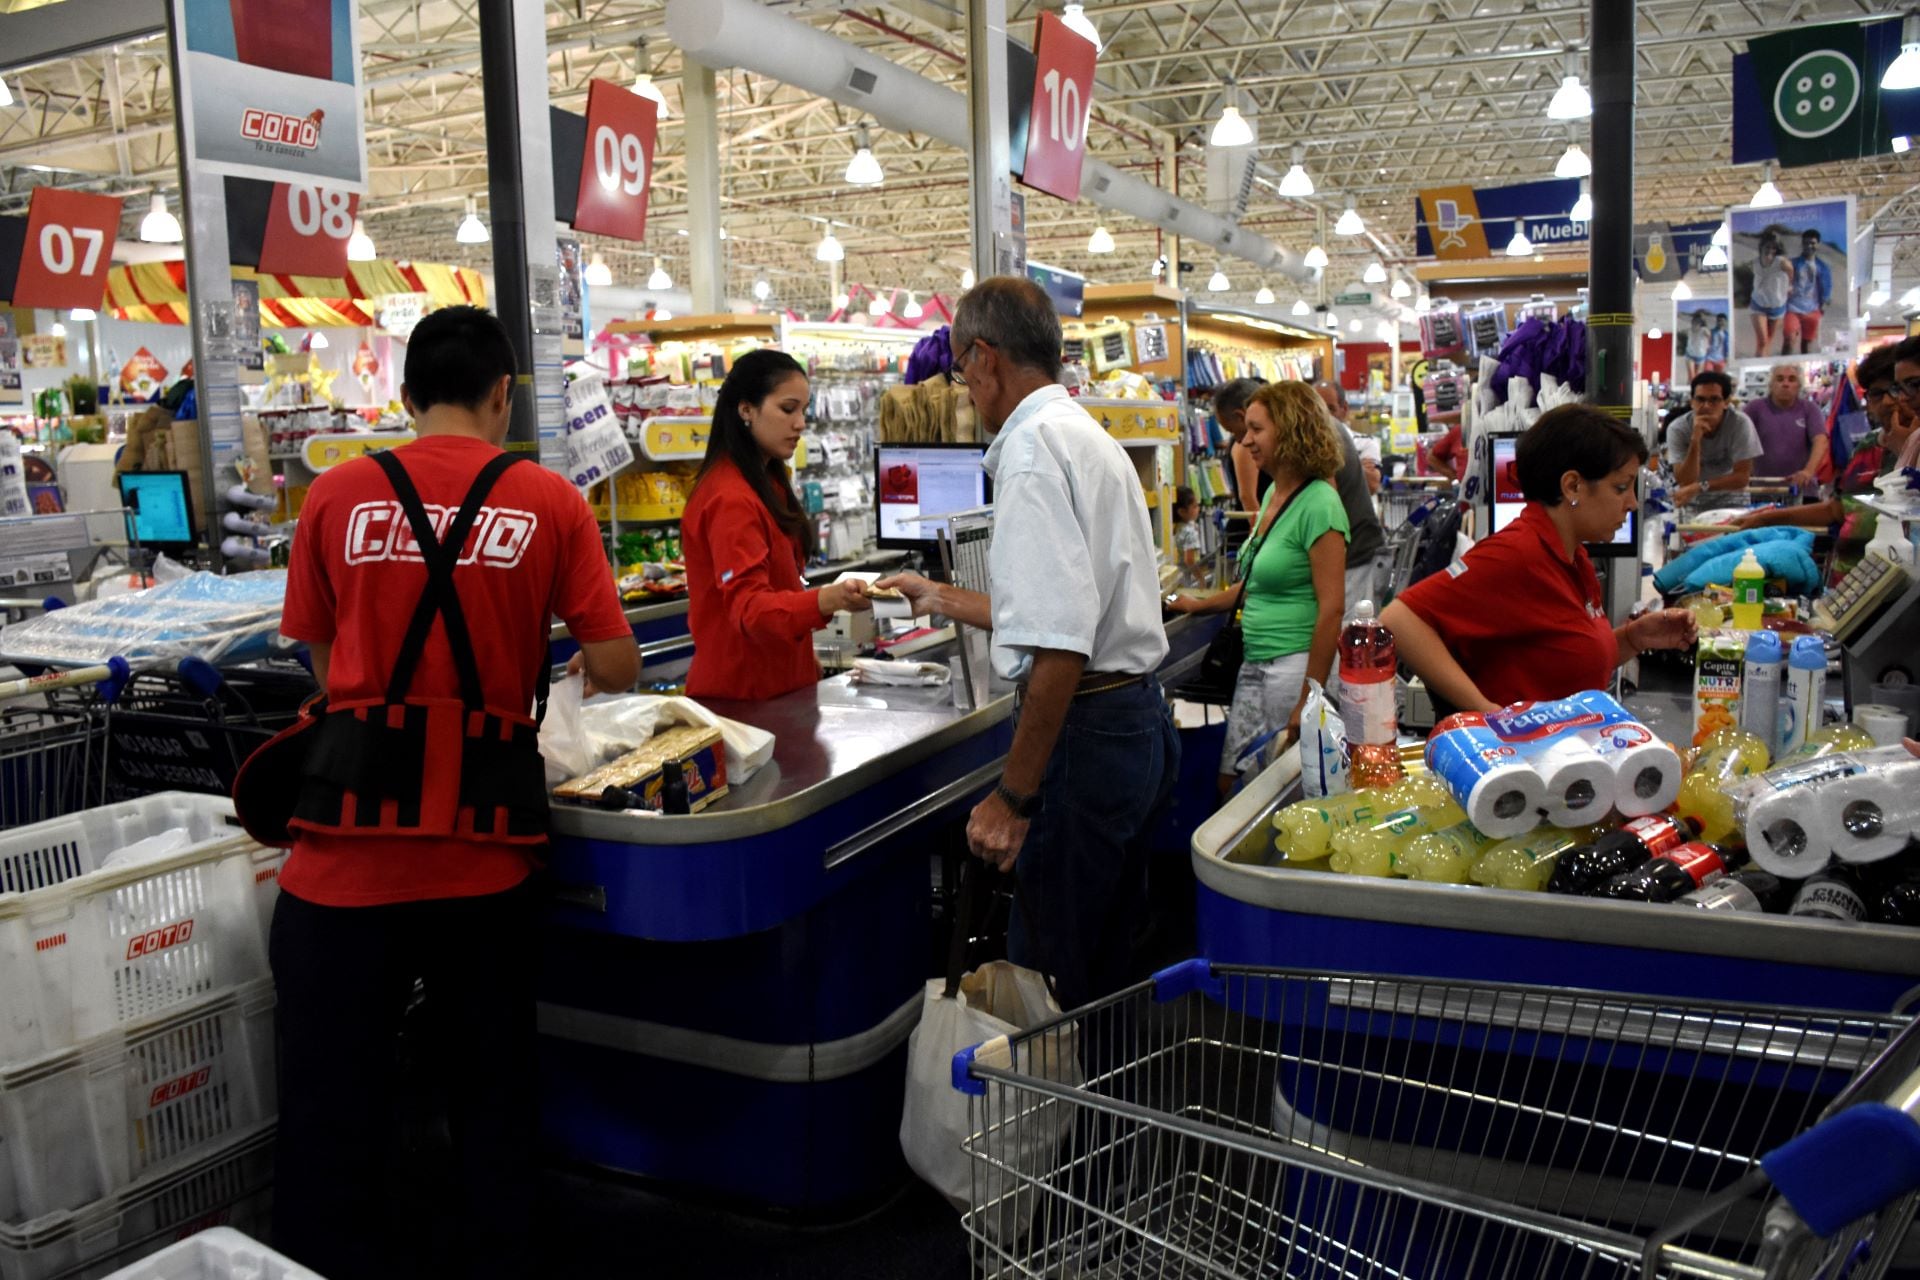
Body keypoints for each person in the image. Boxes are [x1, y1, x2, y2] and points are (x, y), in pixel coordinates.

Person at [272, 306, 640, 1280]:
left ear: (404, 394)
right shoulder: (550, 501)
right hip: (485, 851)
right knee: (493, 1093)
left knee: (330, 1103)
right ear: (502, 394)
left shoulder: (337, 493)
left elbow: (321, 659)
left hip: (341, 852)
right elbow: (615, 659)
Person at [876, 276, 1175, 1011]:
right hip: (1135, 722)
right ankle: (1105, 1117)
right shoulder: (1082, 435)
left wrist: (1012, 795)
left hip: (1087, 737)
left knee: (1048, 980)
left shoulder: (1033, 453)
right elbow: (1062, 609)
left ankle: (1051, 1125)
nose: (963, 388)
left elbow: (1062, 648)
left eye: (959, 370)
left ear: (985, 357)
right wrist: (940, 597)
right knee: (1106, 962)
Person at [1381, 404, 1696, 714]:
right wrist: (1487, 713)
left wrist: (1633, 638)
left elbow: (1566, 661)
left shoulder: (1574, 558)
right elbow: (1398, 619)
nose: (1632, 504)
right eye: (1621, 487)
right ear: (1572, 485)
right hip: (1522, 757)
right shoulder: (1516, 555)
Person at [1169, 382, 1349, 794]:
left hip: (1292, 666)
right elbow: (1255, 584)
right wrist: (1201, 605)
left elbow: (1331, 610)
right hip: (1255, 661)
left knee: (1278, 791)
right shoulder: (1274, 494)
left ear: (1290, 430)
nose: (1245, 440)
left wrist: (1309, 696)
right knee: (1234, 780)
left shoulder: (1319, 503)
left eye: (1256, 429)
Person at [681, 350, 870, 701]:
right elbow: (750, 610)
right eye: (787, 409)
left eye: (804, 411)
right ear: (746, 410)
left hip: (778, 691)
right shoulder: (730, 498)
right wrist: (829, 599)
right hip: (742, 701)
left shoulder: (768, 483)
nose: (800, 423)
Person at [1733, 339, 1920, 581]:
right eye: (1876, 394)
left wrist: (1908, 450)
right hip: (1849, 586)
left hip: (1900, 596)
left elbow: (1820, 440)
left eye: (1902, 388)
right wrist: (1765, 518)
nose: (1888, 402)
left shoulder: (1808, 409)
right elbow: (1838, 509)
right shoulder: (1867, 446)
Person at [1312, 381, 1387, 614]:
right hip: (1352, 556)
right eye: (1317, 406)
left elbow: (1373, 482)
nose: (1323, 414)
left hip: (1355, 556)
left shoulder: (1356, 438)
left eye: (1330, 408)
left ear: (1344, 409)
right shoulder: (1332, 434)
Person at [1668, 370, 1764, 505]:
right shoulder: (1678, 428)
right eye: (1700, 399)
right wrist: (1695, 440)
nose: (1706, 406)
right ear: (1692, 402)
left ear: (1726, 402)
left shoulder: (1740, 423)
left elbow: (1742, 477)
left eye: (1714, 400)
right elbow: (1685, 480)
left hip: (1733, 503)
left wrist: (1701, 486)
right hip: (1692, 503)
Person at [1744, 362, 1830, 488]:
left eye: (1791, 379)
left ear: (1799, 385)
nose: (1785, 384)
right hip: (1762, 489)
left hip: (1802, 488)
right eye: (1779, 379)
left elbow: (1821, 440)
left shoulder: (1810, 409)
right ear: (1771, 384)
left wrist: (1808, 471)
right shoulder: (1754, 408)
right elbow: (1740, 441)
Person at [1215, 376, 1266, 514]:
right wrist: (1260, 533)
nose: (1239, 440)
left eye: (1231, 430)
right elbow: (1248, 497)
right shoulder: (1246, 446)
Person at [1783, 228, 1833, 355]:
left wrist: (1824, 303)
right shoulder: (1792, 263)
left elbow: (1826, 287)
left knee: (1807, 344)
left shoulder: (1823, 267)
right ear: (1802, 244)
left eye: (1812, 243)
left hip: (1812, 309)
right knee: (1789, 339)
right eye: (1806, 243)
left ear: (1818, 244)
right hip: (1792, 307)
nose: (1809, 246)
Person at [1748, 231, 1793, 358]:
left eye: (1774, 247)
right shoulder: (1755, 262)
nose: (1770, 250)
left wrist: (1789, 286)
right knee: (1762, 341)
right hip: (1758, 304)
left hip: (1777, 306)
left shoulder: (1781, 262)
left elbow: (1791, 271)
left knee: (1767, 341)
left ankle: (1762, 364)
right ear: (1762, 246)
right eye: (1768, 246)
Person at [1685, 309, 1713, 380]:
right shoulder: (1690, 329)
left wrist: (1708, 346)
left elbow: (1709, 336)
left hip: (1700, 355)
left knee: (1697, 378)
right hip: (1690, 354)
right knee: (1691, 376)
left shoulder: (1704, 330)